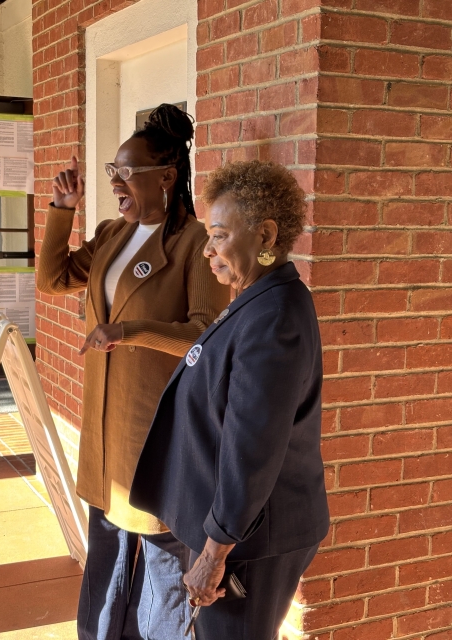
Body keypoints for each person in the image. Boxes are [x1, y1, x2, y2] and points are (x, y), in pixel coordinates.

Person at [37, 104, 229, 640]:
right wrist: (62, 207)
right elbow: (53, 278)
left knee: (164, 563)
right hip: (106, 426)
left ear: (167, 176)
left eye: (128, 172)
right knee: (107, 553)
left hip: (157, 427)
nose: (117, 182)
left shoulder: (195, 243)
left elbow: (206, 333)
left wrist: (130, 331)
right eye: (112, 173)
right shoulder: (112, 236)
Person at [130, 160, 330, 640]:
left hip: (250, 542)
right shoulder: (255, 300)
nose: (207, 251)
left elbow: (252, 450)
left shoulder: (274, 315)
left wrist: (214, 553)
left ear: (264, 235)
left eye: (219, 235)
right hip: (238, 532)